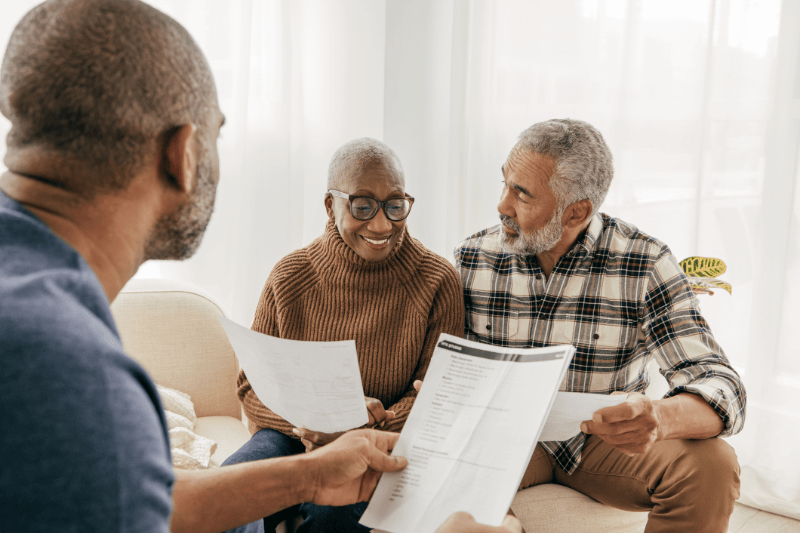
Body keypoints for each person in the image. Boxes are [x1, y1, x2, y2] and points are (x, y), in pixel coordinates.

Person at [0, 2, 519, 533]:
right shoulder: (78, 377)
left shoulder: (35, 321)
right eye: (217, 135)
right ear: (183, 155)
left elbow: (149, 502)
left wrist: (308, 476)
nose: (381, 222)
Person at [454, 119, 746, 532]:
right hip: (500, 440)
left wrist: (659, 417)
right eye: (505, 183)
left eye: (522, 193)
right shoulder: (472, 258)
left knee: (712, 465)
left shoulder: (643, 261)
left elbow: (721, 383)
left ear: (576, 212)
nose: (502, 204)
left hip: (601, 444)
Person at [223, 137, 465, 533]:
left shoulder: (437, 280)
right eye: (363, 205)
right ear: (330, 205)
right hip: (292, 436)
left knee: (332, 518)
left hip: (385, 441)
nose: (382, 224)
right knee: (229, 496)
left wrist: (361, 432)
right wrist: (316, 427)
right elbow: (250, 386)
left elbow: (439, 396)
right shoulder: (290, 276)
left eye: (395, 204)